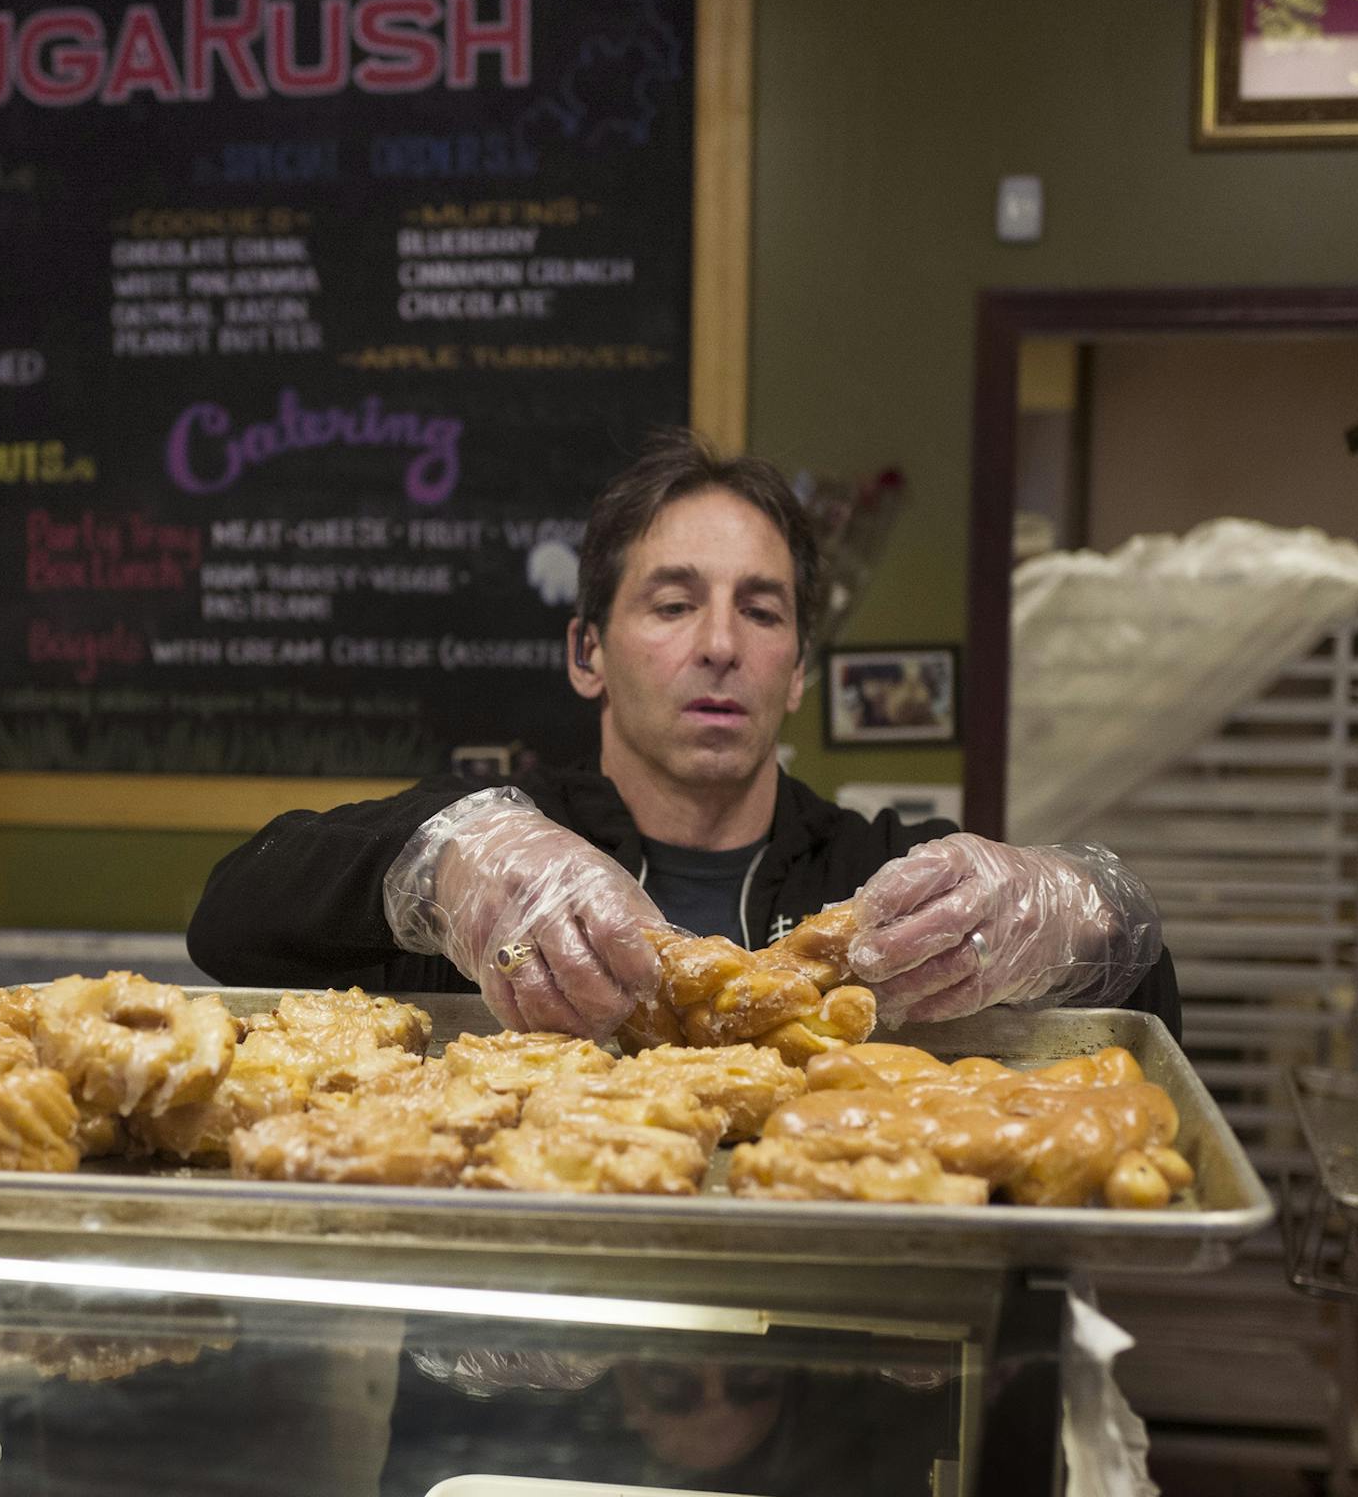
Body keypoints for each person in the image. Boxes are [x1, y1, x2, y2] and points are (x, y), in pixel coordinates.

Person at [187, 430, 1177, 1040]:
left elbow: (1151, 1007)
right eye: (671, 605)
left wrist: (1077, 913)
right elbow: (228, 920)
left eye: (761, 610)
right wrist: (444, 861)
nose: (718, 645)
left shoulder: (888, 883)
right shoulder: (500, 869)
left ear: (797, 671)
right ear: (587, 652)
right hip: (498, 1353)